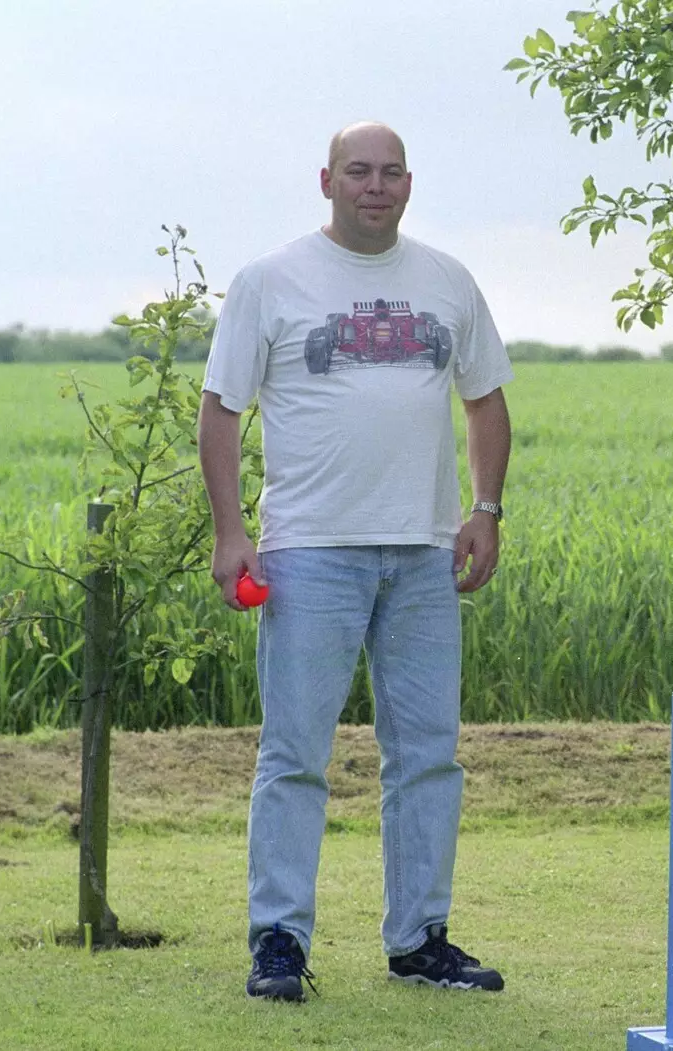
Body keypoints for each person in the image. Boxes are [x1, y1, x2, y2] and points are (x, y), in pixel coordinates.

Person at [197, 121, 514, 1002]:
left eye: (390, 173)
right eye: (358, 171)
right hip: (309, 553)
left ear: (410, 183)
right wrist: (232, 534)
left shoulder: (447, 280)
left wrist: (484, 509)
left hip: (423, 552)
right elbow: (219, 411)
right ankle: (279, 942)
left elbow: (485, 400)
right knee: (295, 752)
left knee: (427, 754)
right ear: (326, 180)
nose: (375, 185)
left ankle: (419, 939)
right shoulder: (270, 281)